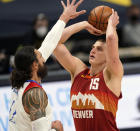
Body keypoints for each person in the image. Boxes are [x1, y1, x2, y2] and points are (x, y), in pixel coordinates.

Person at [8, 0, 86, 130]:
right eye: (40, 57)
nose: (44, 57)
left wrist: (64, 17)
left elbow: (48, 44)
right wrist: (57, 129)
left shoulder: (19, 84)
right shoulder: (35, 94)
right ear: (34, 66)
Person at [54, 9, 123, 131]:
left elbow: (111, 38)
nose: (93, 50)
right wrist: (84, 24)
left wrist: (111, 25)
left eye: (99, 49)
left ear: (109, 56)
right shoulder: (78, 71)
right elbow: (54, 43)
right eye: (93, 47)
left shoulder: (111, 74)